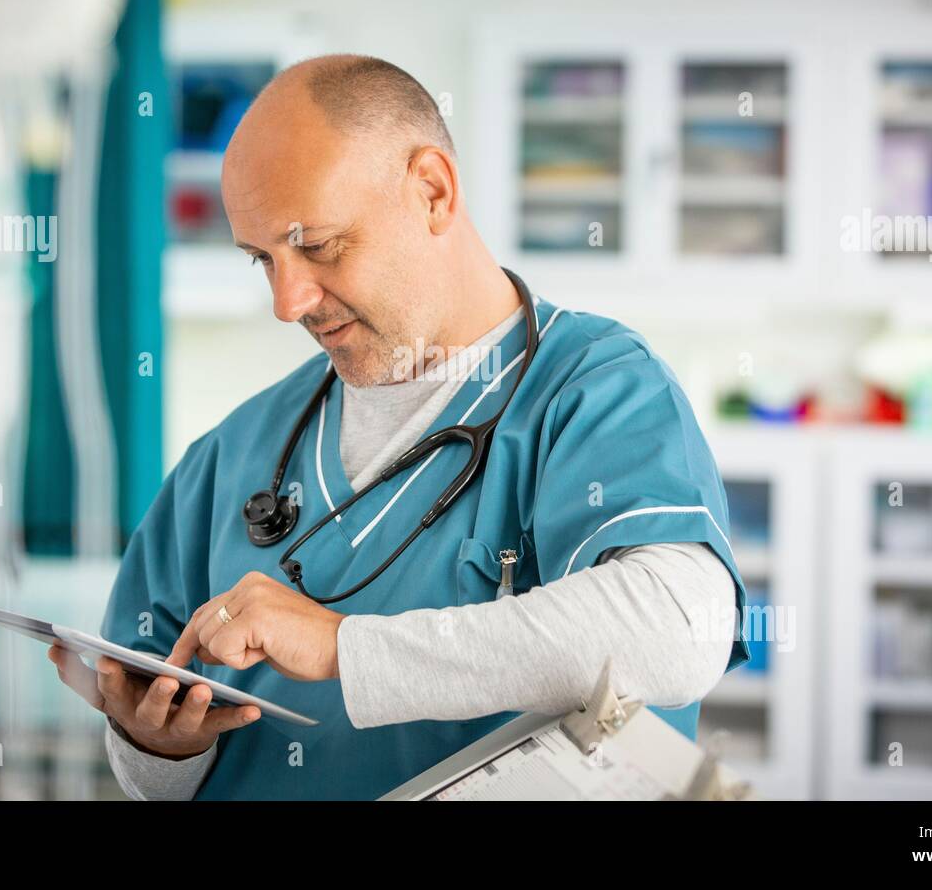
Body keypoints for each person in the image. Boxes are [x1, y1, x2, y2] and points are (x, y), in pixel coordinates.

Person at [49, 54, 750, 800]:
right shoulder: (231, 457)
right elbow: (149, 772)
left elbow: (682, 628)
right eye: (263, 259)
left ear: (432, 191)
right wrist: (157, 745)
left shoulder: (597, 390)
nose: (289, 301)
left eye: (317, 245)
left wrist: (345, 650)